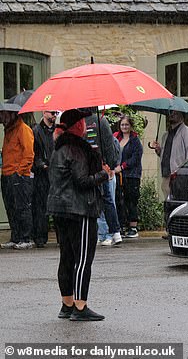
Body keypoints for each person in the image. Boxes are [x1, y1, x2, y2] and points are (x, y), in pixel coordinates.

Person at [47, 109, 110, 321]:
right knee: (83, 258)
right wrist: (104, 174)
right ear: (77, 126)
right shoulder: (77, 150)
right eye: (82, 122)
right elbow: (82, 181)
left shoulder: (58, 148)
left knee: (66, 256)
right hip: (80, 209)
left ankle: (67, 303)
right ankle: (80, 307)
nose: (85, 125)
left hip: (60, 209)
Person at [85, 113, 122, 246]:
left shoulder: (100, 121)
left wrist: (110, 165)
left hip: (100, 168)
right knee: (103, 200)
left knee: (105, 198)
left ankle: (113, 232)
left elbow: (109, 145)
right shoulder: (95, 121)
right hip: (95, 167)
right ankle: (107, 232)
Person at [0, 110, 34, 250]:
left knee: (22, 207)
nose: (2, 117)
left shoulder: (23, 129)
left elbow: (29, 154)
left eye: (4, 114)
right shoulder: (9, 130)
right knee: (11, 208)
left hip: (18, 175)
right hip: (7, 173)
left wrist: (19, 172)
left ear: (12, 114)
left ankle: (26, 238)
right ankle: (16, 237)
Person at [150, 110, 188, 200]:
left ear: (182, 115)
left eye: (175, 113)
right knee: (167, 204)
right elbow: (168, 155)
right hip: (166, 175)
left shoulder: (187, 133)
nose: (172, 115)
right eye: (170, 112)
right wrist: (159, 151)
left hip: (179, 177)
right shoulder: (166, 135)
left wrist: (184, 172)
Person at [113, 116, 143, 238]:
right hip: (118, 174)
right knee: (120, 201)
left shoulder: (135, 140)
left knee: (131, 200)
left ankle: (133, 227)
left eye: (126, 125)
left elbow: (136, 158)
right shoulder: (116, 138)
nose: (124, 127)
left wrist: (123, 166)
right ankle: (121, 225)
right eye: (122, 125)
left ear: (130, 126)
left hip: (132, 175)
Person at [31, 110, 57, 248]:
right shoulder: (36, 130)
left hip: (56, 172)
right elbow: (33, 153)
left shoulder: (57, 131)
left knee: (58, 206)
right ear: (44, 112)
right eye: (52, 112)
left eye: (56, 112)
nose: (55, 115)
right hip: (42, 173)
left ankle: (61, 237)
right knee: (41, 206)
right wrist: (41, 165)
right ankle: (40, 237)